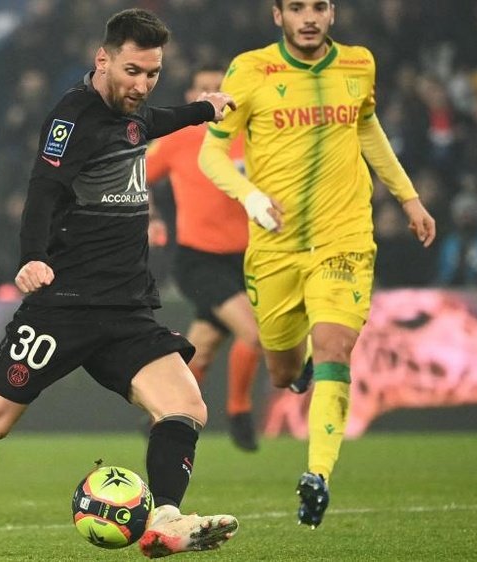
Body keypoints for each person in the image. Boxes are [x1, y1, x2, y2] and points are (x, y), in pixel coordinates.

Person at [0, 9, 238, 558]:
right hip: (65, 306)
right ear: (101, 59)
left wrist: (204, 109)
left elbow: (151, 123)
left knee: (186, 407)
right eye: (133, 71)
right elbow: (42, 190)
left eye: (153, 73)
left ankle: (166, 521)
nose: (143, 85)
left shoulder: (132, 113)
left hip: (127, 308)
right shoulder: (72, 118)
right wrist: (32, 256)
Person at [199, 0, 436, 529]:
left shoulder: (359, 64)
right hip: (275, 245)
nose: (310, 17)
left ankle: (318, 475)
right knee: (282, 373)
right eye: (298, 7)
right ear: (276, 15)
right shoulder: (251, 69)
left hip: (343, 236)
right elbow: (211, 152)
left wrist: (408, 198)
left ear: (333, 13)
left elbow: (367, 128)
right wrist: (249, 196)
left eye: (320, 7)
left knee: (335, 346)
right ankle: (298, 364)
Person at [145, 65, 262, 452]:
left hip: (246, 259)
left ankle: (161, 415)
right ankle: (239, 412)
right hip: (199, 259)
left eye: (218, 88)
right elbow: (134, 174)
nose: (211, 95)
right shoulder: (180, 139)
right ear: (191, 97)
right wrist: (152, 215)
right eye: (203, 89)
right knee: (254, 333)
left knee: (204, 346)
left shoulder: (251, 137)